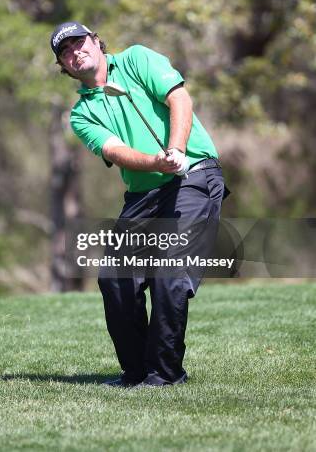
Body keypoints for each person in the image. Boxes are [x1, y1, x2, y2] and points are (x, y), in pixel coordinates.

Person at [50, 21, 229, 387]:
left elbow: (179, 98)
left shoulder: (136, 60)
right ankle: (135, 372)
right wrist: (156, 162)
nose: (75, 52)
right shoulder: (82, 114)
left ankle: (164, 374)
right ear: (64, 67)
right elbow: (116, 150)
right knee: (115, 278)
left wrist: (177, 150)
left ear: (96, 42)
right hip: (144, 193)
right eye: (65, 52)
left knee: (169, 275)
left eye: (79, 43)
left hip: (193, 177)